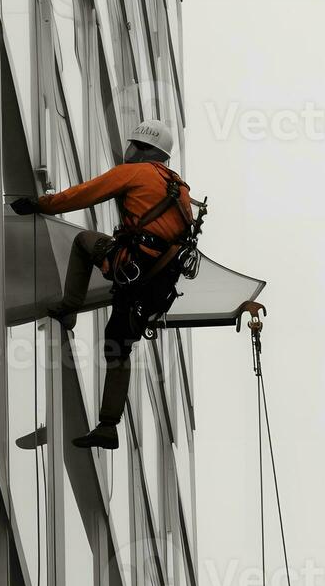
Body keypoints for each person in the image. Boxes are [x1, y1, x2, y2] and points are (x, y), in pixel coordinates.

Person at [10, 119, 194, 450]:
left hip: (133, 265)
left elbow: (84, 194)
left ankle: (69, 309)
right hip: (157, 283)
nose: (126, 151)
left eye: (131, 145)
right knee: (118, 343)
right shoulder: (180, 189)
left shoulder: (137, 172)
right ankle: (108, 426)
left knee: (83, 241)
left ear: (141, 148)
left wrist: (39, 204)